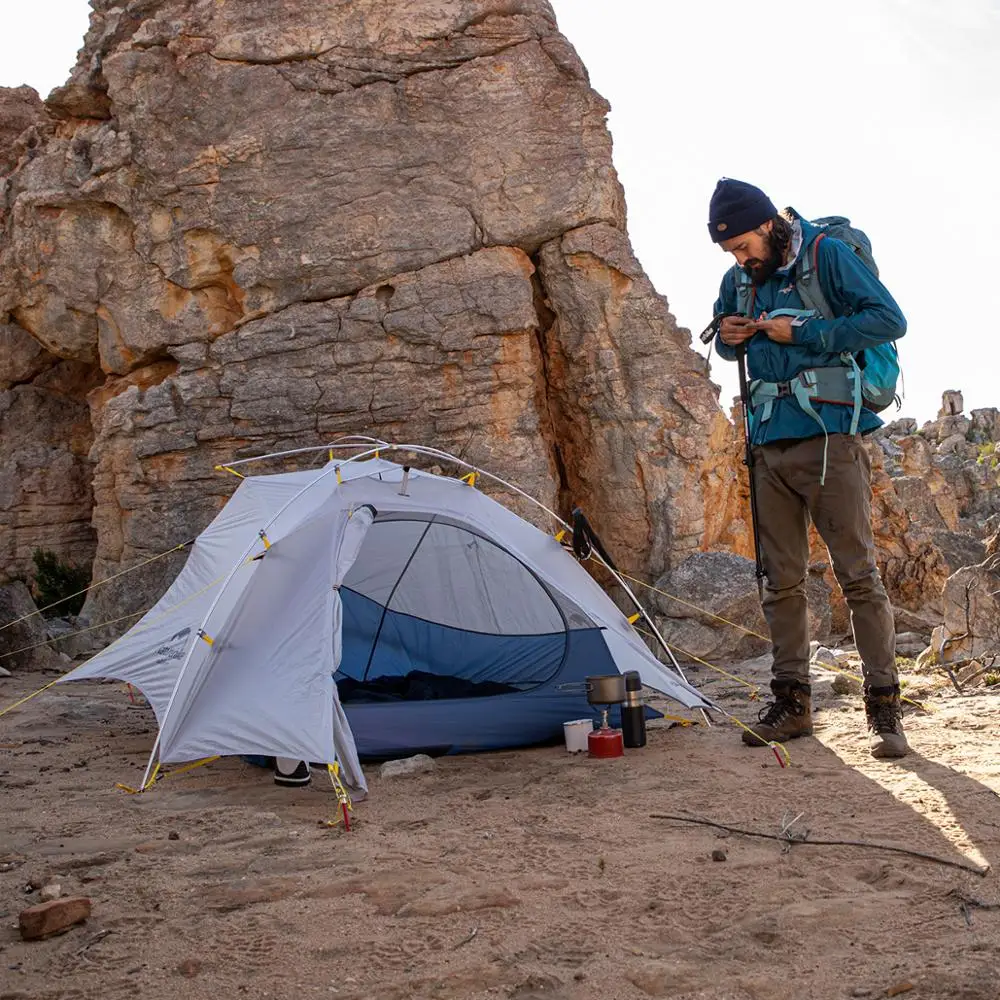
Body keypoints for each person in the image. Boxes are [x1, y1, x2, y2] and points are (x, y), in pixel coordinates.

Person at [707, 177, 908, 759]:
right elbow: (728, 346)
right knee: (779, 581)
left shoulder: (828, 256)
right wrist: (731, 333)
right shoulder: (738, 279)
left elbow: (887, 320)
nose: (740, 260)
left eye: (744, 246)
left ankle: (885, 710)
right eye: (731, 253)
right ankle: (793, 707)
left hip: (830, 441)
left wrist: (805, 331)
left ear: (770, 225)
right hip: (767, 440)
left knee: (858, 576)